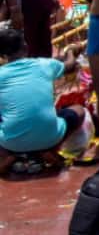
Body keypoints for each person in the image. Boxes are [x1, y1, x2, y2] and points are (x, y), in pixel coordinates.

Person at [0, 28, 84, 174]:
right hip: (50, 137)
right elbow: (70, 65)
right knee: (79, 110)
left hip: (11, 143)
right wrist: (70, 51)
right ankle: (50, 150)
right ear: (25, 47)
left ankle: (9, 156)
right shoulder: (45, 64)